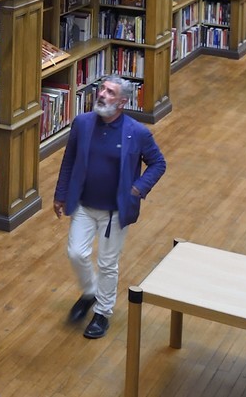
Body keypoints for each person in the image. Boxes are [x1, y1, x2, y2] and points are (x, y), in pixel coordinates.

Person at [52, 75, 166, 339]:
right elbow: (69, 160)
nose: (102, 94)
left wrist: (137, 188)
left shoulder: (137, 132)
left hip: (114, 211)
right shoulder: (82, 123)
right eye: (102, 89)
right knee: (76, 254)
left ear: (122, 102)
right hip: (83, 204)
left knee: (107, 263)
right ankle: (90, 292)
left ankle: (102, 313)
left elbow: (158, 163)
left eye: (110, 92)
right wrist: (60, 194)